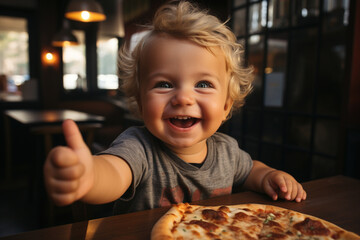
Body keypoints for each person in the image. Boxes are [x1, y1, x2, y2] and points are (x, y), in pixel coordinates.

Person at [43, 0, 306, 214]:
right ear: (141, 101)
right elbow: (112, 172)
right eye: (165, 84)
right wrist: (89, 176)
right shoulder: (138, 148)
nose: (183, 98)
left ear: (226, 105)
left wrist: (270, 176)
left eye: (203, 84)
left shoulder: (227, 151)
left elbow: (251, 170)